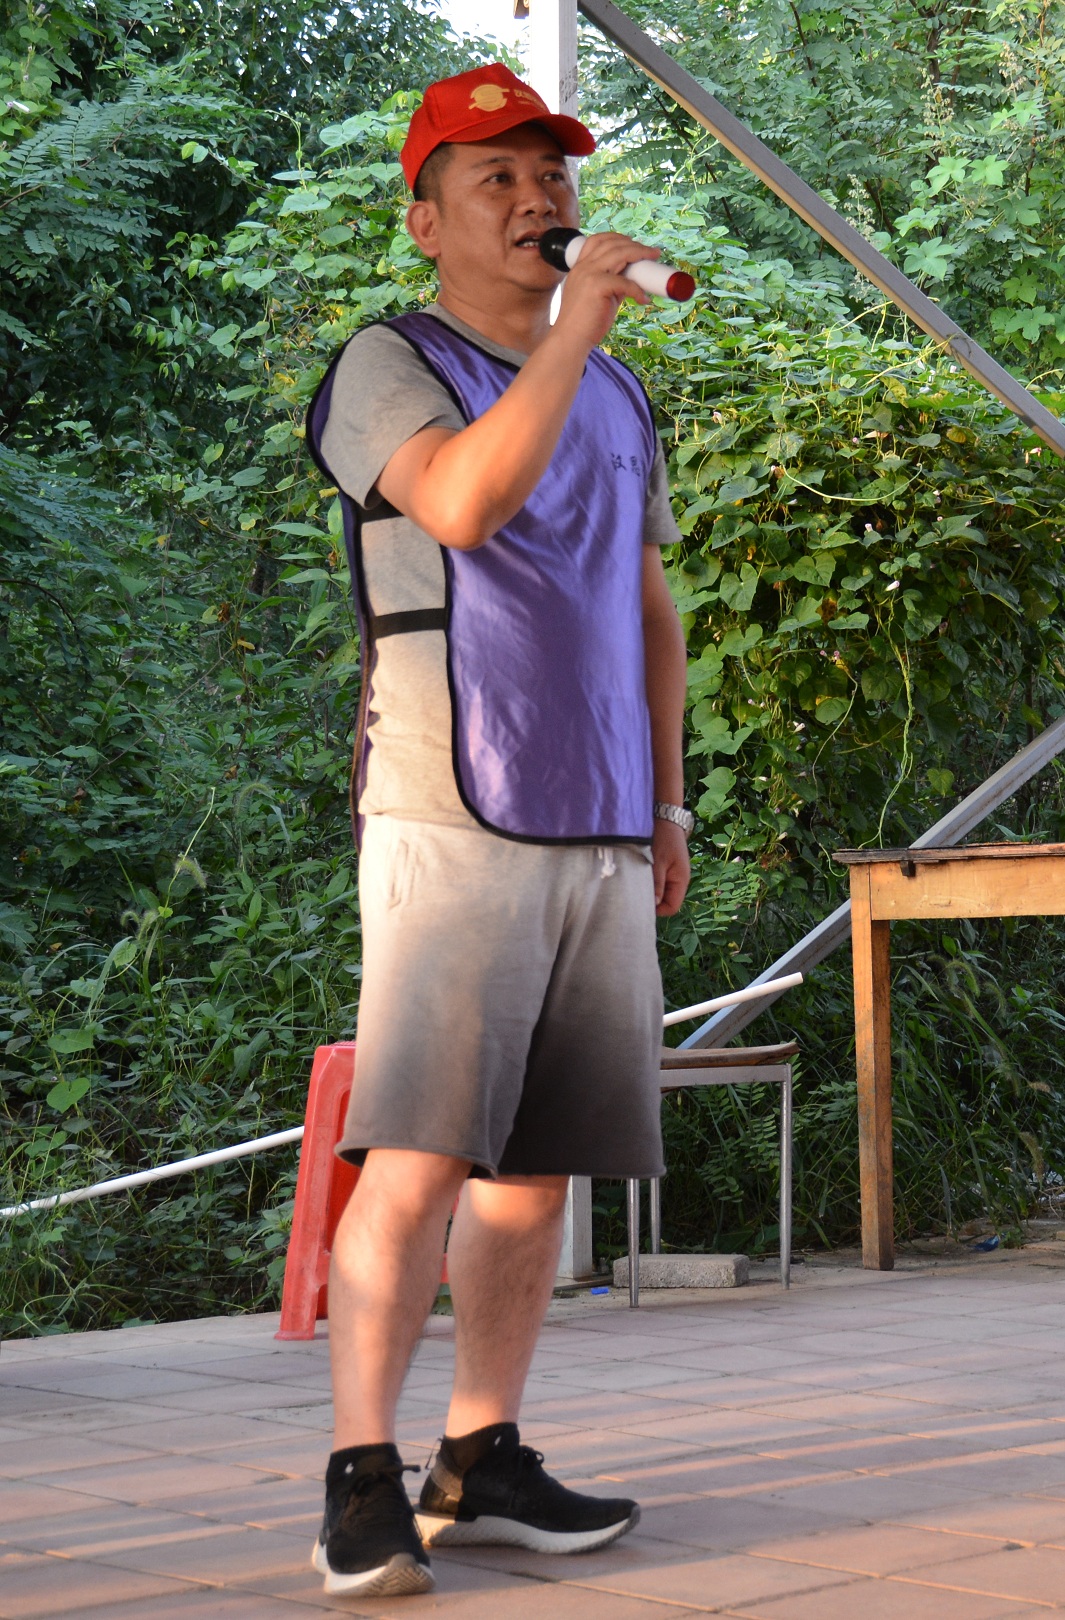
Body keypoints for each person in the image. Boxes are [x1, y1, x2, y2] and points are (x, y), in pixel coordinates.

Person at [304, 60, 692, 1599]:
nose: (538, 201)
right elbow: (460, 503)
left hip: (598, 812)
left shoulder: (617, 392)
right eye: (497, 180)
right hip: (451, 801)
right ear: (426, 221)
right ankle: (358, 1478)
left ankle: (480, 1457)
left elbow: (649, 609)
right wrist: (576, 327)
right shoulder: (385, 363)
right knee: (421, 1153)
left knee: (542, 1166)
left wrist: (665, 798)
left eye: (553, 176)